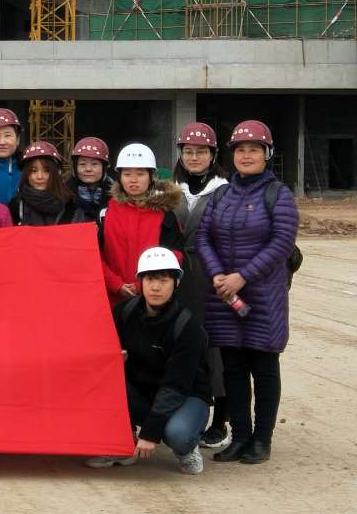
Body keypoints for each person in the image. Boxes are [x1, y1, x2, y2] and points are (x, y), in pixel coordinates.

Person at [195, 120, 299, 465]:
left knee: (264, 368)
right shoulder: (222, 195)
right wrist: (217, 274)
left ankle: (261, 440)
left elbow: (281, 243)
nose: (246, 155)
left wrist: (242, 277)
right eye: (240, 149)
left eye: (254, 149)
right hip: (225, 296)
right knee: (234, 369)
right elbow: (204, 237)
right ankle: (240, 436)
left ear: (267, 154)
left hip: (263, 297)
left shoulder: (278, 195)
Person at [86, 247, 211, 474]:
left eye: (163, 280)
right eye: (150, 279)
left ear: (176, 283)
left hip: (185, 395)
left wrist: (151, 433)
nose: (155, 287)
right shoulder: (124, 312)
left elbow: (176, 386)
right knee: (103, 378)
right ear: (140, 282)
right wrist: (115, 357)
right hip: (143, 392)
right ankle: (123, 442)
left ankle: (188, 447)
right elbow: (98, 350)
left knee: (178, 434)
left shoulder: (187, 327)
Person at [171, 122, 231, 450]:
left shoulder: (226, 191)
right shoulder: (167, 191)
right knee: (180, 344)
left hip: (213, 277)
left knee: (217, 348)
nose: (194, 157)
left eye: (201, 152)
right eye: (189, 151)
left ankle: (220, 419)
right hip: (177, 278)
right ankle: (179, 414)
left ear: (213, 155)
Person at [100, 143, 184, 305]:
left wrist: (140, 285)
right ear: (120, 177)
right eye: (127, 174)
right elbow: (96, 254)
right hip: (111, 298)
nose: (133, 180)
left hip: (152, 300)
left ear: (151, 176)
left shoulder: (164, 214)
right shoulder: (106, 211)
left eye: (140, 174)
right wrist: (115, 284)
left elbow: (175, 256)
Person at [9, 141, 72, 226]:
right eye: (33, 171)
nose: (40, 176)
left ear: (57, 173)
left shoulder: (70, 205)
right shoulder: (16, 206)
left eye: (47, 171)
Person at [64, 136, 115, 224]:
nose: (88, 169)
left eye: (94, 164)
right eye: (82, 164)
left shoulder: (117, 198)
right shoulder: (63, 196)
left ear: (104, 167)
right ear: (75, 167)